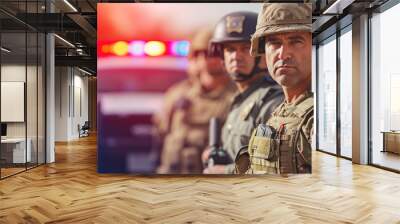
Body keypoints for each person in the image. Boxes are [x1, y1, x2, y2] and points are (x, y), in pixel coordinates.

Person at [235, 3, 313, 174]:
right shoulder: (283, 111)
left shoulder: (318, 116)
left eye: (296, 41)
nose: (283, 54)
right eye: (274, 43)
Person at [202, 11, 284, 174]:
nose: (236, 56)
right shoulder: (240, 101)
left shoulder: (271, 102)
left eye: (246, 48)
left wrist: (224, 171)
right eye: (230, 49)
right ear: (221, 56)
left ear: (261, 54)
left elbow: (270, 167)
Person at [157, 27, 237, 174]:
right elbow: (161, 132)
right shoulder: (177, 94)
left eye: (217, 52)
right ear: (195, 57)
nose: (210, 58)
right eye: (204, 53)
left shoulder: (237, 98)